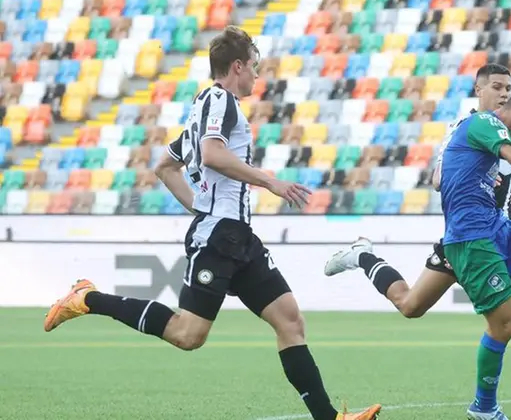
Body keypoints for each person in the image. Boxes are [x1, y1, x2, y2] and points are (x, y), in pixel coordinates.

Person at [42, 26, 381, 420]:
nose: (257, 75)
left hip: (236, 235)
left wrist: (201, 206)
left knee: (290, 319)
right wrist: (268, 181)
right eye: (254, 67)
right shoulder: (220, 99)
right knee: (189, 335)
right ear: (236, 66)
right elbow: (212, 154)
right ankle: (88, 298)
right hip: (221, 235)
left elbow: (166, 166)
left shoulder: (202, 112)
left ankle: (329, 418)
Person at [324, 65, 511, 408]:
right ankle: (363, 256)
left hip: (501, 234)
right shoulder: (466, 128)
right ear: (479, 89)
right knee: (410, 306)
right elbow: (437, 178)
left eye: (508, 87)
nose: (504, 92)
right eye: (496, 86)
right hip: (466, 238)